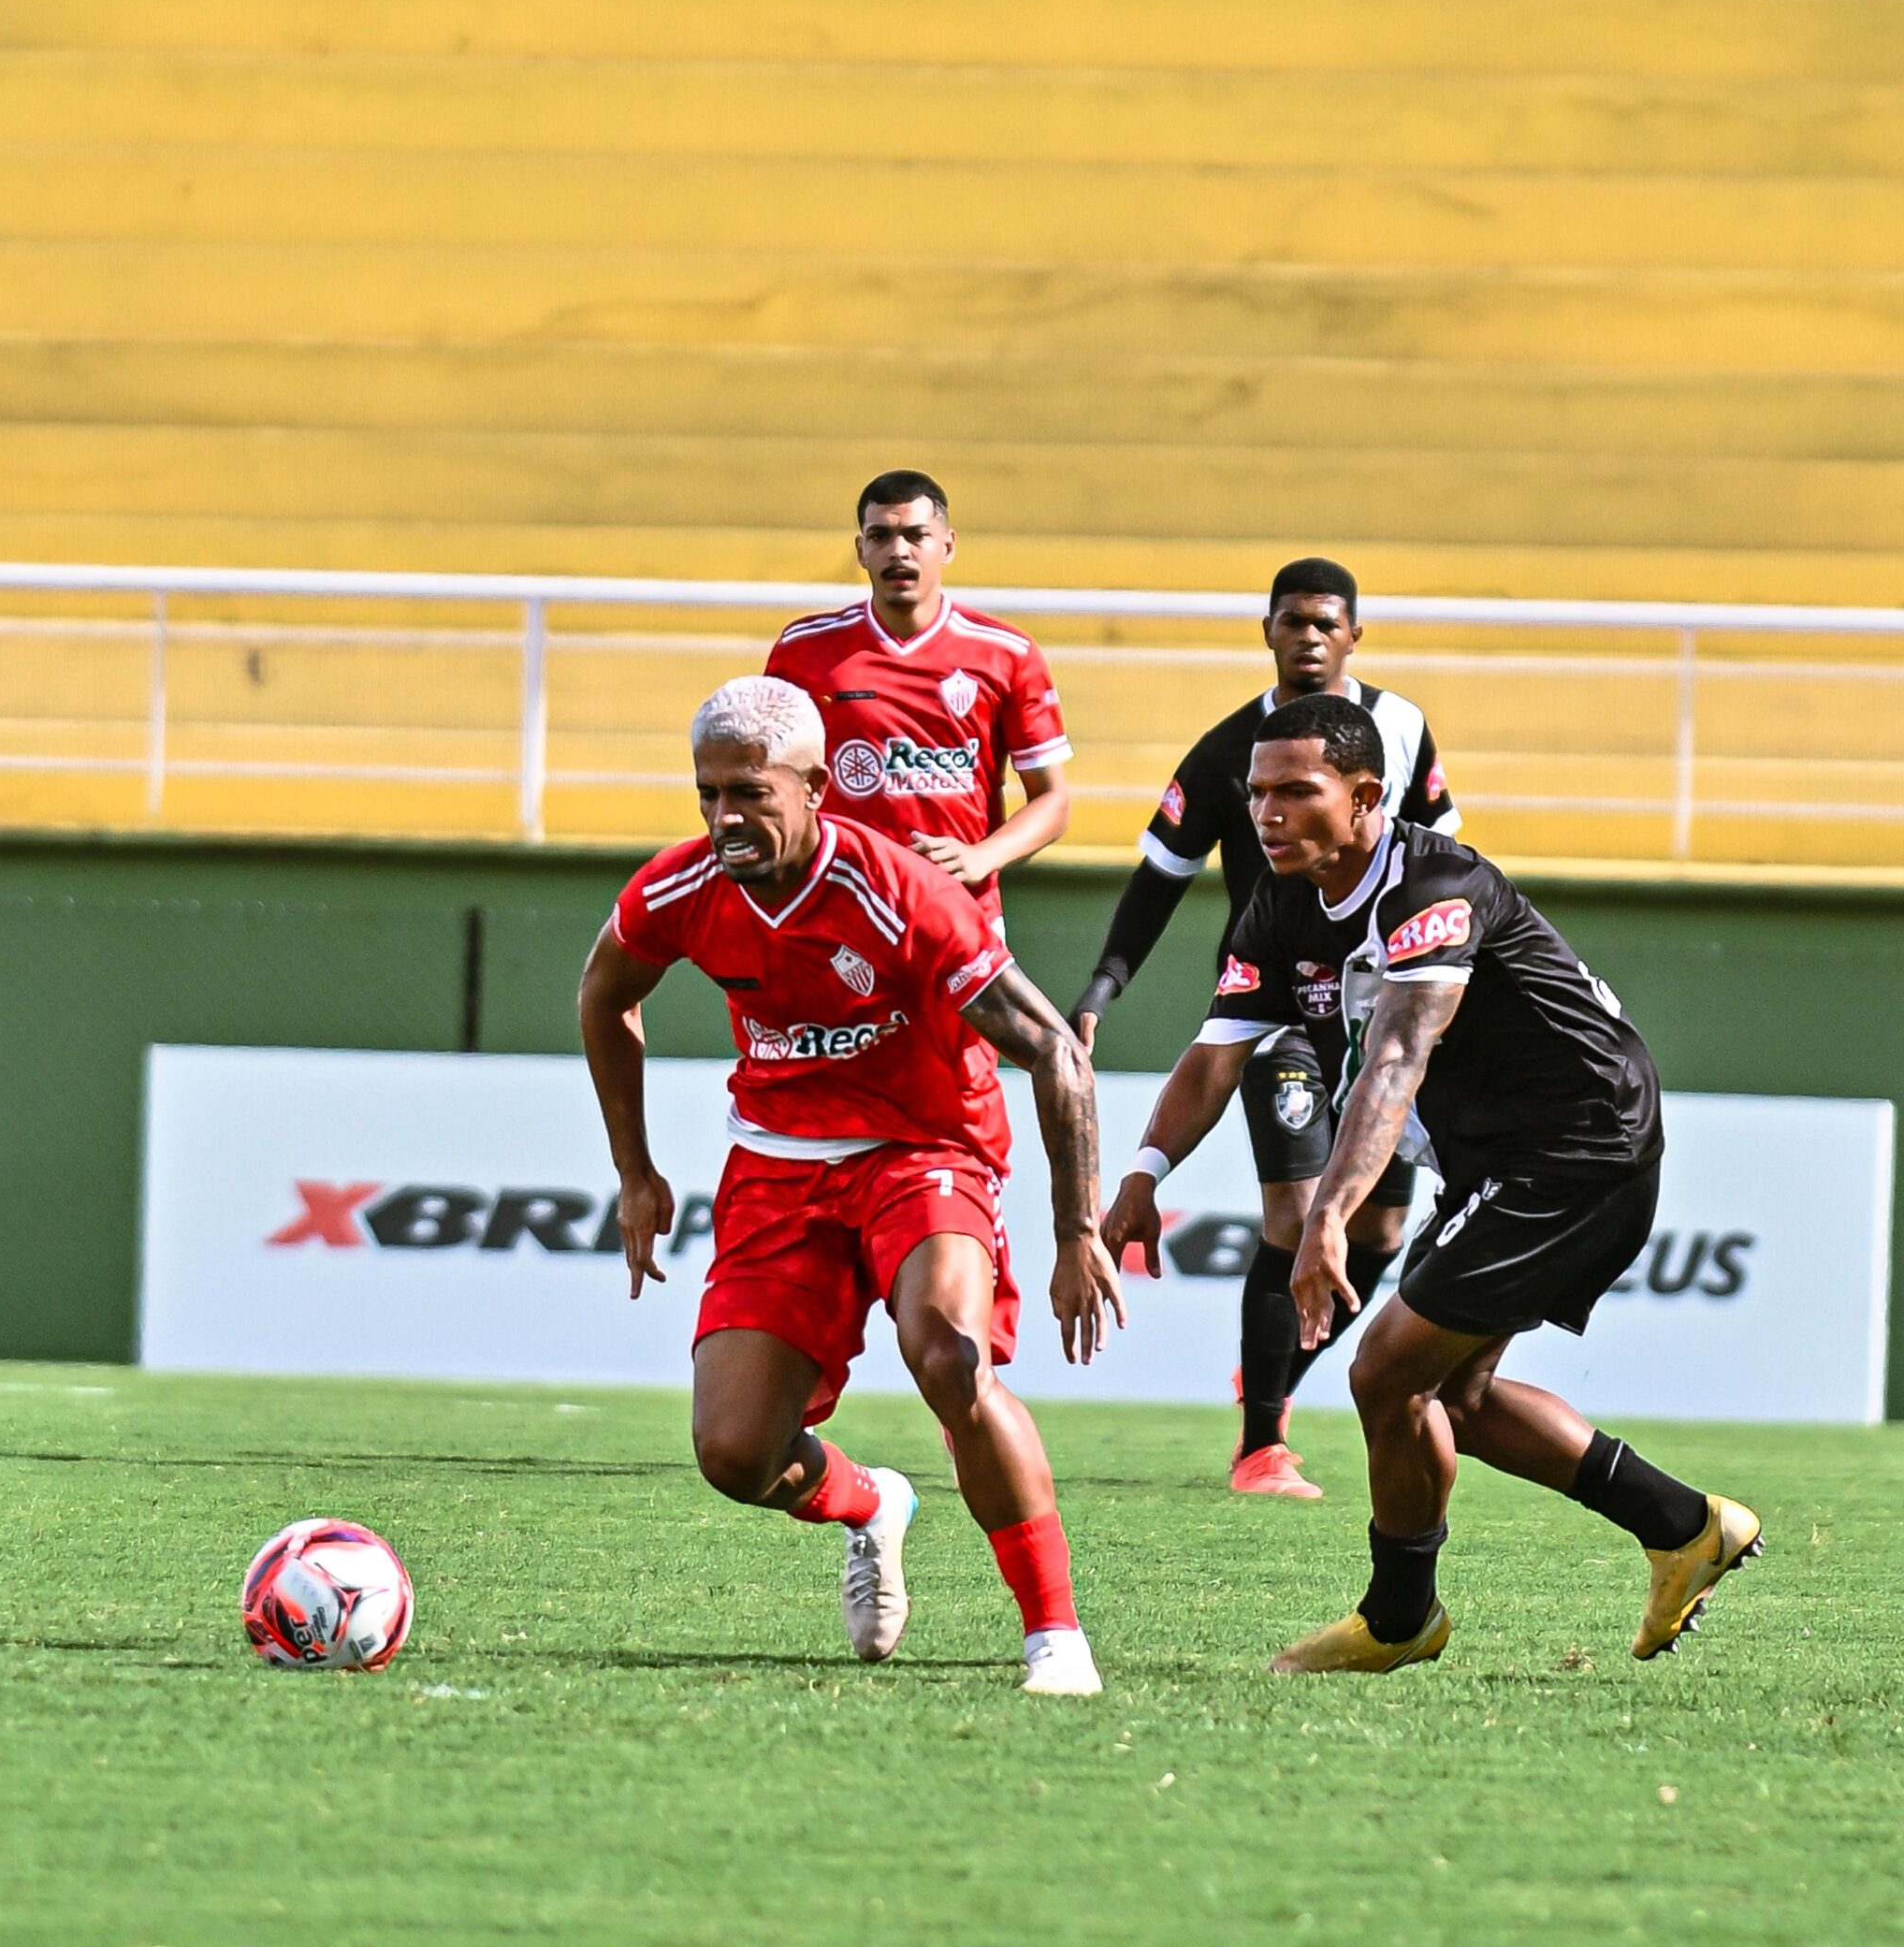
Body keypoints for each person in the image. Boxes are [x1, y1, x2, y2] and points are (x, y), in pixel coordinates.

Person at [1103, 695, 1761, 1674]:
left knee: (1384, 1371)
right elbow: (1215, 1053)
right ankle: (1683, 1525)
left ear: (1366, 796)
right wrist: (1143, 1172)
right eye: (1256, 793)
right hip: (1495, 1156)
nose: (1267, 813)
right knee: (1452, 1394)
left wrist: (1327, 1214)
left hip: (1580, 1142)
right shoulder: (1278, 904)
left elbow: (1398, 1054)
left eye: (1296, 791)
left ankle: (1398, 1616)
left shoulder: (1435, 886)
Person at [578, 676, 1125, 1696]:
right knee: (733, 1454)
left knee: (949, 1357)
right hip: (777, 1165)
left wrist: (1076, 1229)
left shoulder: (901, 894)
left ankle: (1054, 1635)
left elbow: (1055, 1049)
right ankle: (874, 1503)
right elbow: (605, 991)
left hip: (923, 1148)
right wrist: (634, 1170)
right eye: (708, 794)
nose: (725, 818)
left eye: (750, 793)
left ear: (815, 787)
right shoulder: (680, 888)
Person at [1071, 557, 1460, 1500]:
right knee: (1296, 1212)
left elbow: (1447, 854)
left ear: (1354, 634)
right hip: (1274, 1004)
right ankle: (1261, 1447)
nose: (1309, 637)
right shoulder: (1224, 749)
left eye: (1326, 622)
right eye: (1293, 621)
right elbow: (1159, 878)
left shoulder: (1402, 728)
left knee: (1380, 1224)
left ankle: (1271, 1377)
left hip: (1381, 1009)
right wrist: (1102, 987)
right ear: (1268, 631)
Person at [764, 470, 1073, 921]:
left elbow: (1052, 800)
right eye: (880, 536)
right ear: (861, 550)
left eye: (915, 535)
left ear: (947, 545)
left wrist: (981, 856)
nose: (898, 551)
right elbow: (770, 781)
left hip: (962, 916)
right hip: (840, 914)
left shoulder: (1006, 653)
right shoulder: (803, 650)